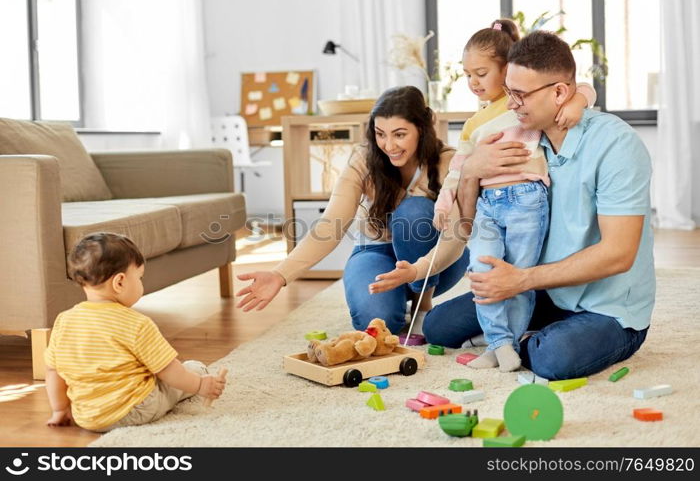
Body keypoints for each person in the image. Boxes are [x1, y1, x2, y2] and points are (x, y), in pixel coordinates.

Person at [422, 30, 654, 380]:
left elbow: (619, 253)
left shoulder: (616, 145)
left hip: (609, 308)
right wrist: (470, 172)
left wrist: (520, 280)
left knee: (554, 357)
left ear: (560, 93)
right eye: (508, 91)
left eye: (519, 94)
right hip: (543, 291)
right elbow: (468, 224)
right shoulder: (522, 137)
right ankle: (521, 336)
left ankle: (522, 341)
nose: (510, 103)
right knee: (439, 326)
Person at [235, 86, 470, 335]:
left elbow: (458, 235)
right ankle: (395, 301)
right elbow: (330, 224)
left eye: (399, 134)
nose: (389, 145)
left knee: (414, 213)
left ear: (421, 130)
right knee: (377, 322)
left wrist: (417, 271)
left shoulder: (447, 162)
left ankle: (422, 307)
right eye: (380, 134)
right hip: (376, 251)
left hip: (435, 260)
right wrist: (279, 275)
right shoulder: (364, 159)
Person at [432, 20, 596, 372]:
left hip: (526, 199)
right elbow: (458, 171)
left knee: (518, 276)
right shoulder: (476, 124)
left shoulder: (522, 104)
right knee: (482, 273)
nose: (474, 82)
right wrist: (444, 203)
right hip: (488, 207)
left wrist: (578, 102)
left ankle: (507, 342)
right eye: (467, 75)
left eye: (481, 73)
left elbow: (577, 85)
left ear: (508, 70)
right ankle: (499, 342)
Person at [44, 232, 227, 432]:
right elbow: (167, 370)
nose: (141, 283)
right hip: (135, 409)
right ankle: (198, 375)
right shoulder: (136, 323)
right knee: (192, 368)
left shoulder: (64, 321)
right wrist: (200, 385)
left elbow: (53, 371)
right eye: (139, 277)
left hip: (86, 416)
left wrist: (60, 410)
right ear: (120, 282)